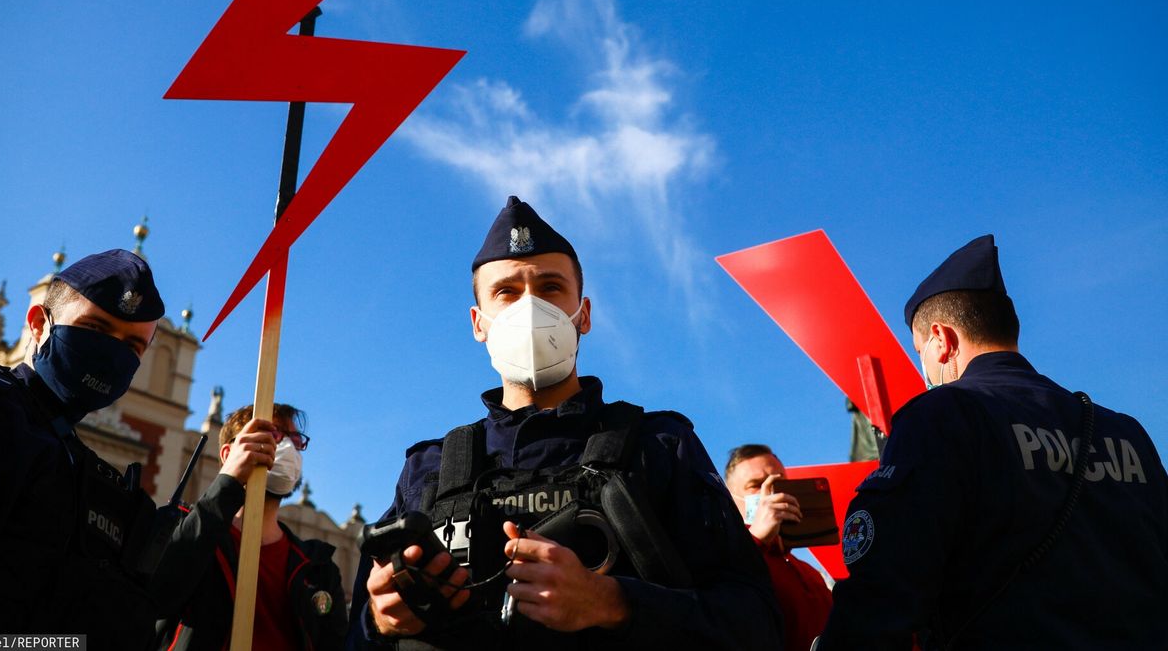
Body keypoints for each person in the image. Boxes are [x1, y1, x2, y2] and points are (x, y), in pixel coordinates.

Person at [349, 196, 781, 650]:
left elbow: (758, 623)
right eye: (507, 292)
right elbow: (352, 638)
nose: (530, 306)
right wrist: (378, 622)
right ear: (479, 323)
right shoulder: (428, 471)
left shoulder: (659, 446)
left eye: (551, 287)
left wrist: (613, 602)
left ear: (584, 314)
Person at [815, 235, 1168, 649]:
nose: (924, 368)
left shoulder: (942, 415)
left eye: (919, 351)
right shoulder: (1126, 432)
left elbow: (885, 589)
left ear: (942, 339)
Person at [0, 249, 168, 644]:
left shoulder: (73, 458)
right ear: (38, 323)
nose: (113, 355)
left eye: (133, 347)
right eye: (97, 329)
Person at [151, 402, 347, 650]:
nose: (285, 447)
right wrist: (228, 484)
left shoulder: (319, 568)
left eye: (295, 440)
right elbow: (154, 597)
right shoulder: (183, 528)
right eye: (273, 434)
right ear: (227, 454)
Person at [725, 445, 833, 651]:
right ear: (732, 501)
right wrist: (756, 537)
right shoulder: (725, 557)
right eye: (756, 485)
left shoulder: (810, 573)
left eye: (779, 480)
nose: (772, 491)